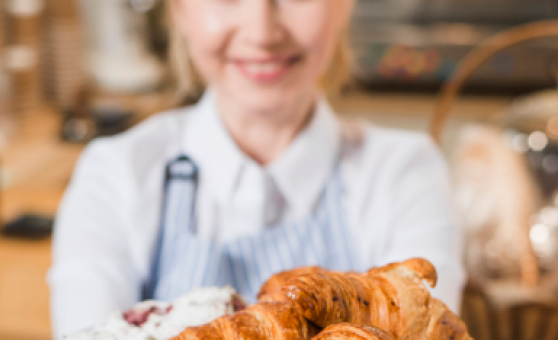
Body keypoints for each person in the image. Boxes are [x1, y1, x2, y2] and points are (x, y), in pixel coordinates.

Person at [49, 0, 465, 338]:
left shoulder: (405, 171)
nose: (263, 32)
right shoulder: (116, 173)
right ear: (179, 10)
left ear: (344, 7)